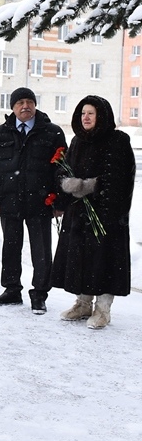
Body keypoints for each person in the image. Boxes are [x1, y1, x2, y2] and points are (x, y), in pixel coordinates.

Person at [51, 96, 134, 329]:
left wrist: (92, 188)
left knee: (105, 262)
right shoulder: (78, 141)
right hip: (79, 214)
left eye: (91, 113)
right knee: (81, 261)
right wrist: (68, 184)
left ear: (102, 116)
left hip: (106, 216)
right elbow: (62, 170)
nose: (85, 118)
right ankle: (83, 303)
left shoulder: (117, 140)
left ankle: (103, 310)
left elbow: (119, 181)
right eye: (83, 113)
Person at [0, 87, 66, 313]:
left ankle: (40, 294)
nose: (25, 106)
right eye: (20, 103)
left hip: (41, 202)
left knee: (41, 250)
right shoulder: (0, 133)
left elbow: (62, 170)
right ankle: (11, 290)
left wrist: (59, 202)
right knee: (10, 247)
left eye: (29, 101)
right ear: (12, 107)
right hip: (9, 201)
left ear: (35, 105)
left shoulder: (52, 132)